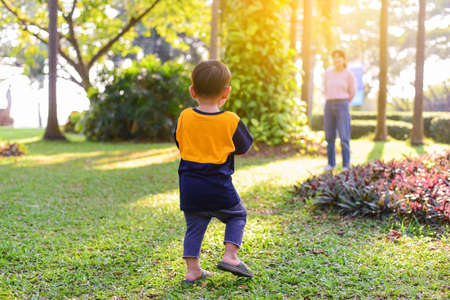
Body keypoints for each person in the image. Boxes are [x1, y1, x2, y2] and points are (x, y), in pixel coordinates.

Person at [173, 60, 254, 285]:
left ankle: (193, 271)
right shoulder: (230, 120)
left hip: (189, 185)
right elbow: (244, 147)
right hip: (218, 184)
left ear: (193, 91)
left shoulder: (184, 117)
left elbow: (180, 142)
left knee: (194, 226)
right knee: (237, 215)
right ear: (226, 92)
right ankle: (230, 256)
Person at [323, 50, 356, 172]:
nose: (336, 60)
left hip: (343, 104)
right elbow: (325, 88)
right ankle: (331, 163)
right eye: (334, 57)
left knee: (344, 136)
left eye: (339, 57)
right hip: (329, 104)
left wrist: (344, 102)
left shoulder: (348, 74)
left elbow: (352, 91)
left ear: (344, 59)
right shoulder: (328, 72)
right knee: (329, 136)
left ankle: (346, 164)